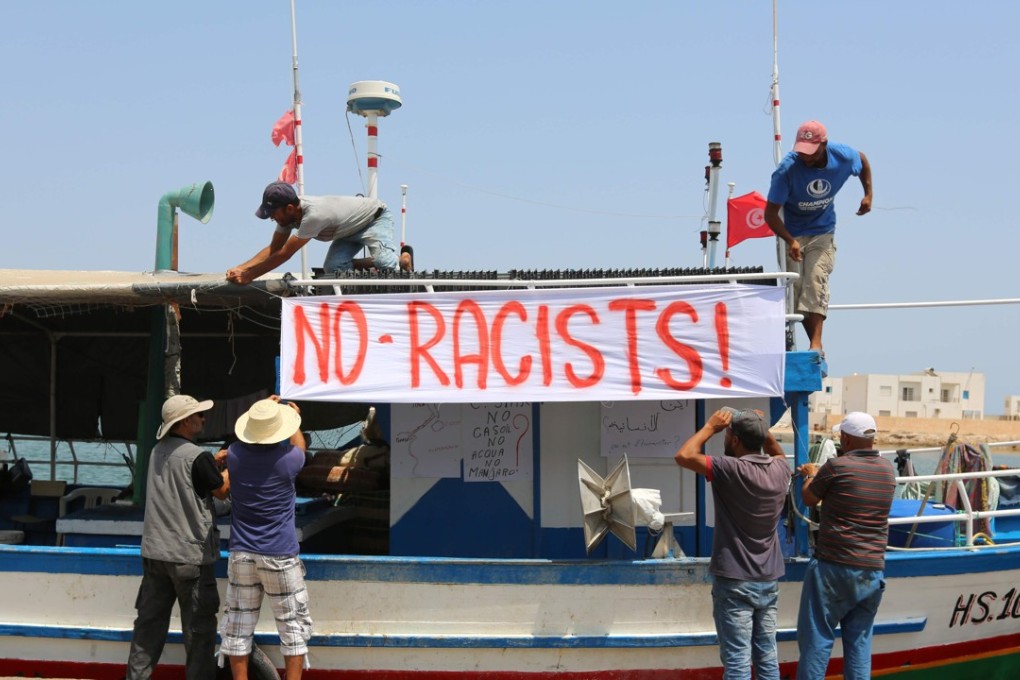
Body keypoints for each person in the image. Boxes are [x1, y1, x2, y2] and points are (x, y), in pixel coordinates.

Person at [674, 407, 791, 680]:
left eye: (727, 435)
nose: (724, 438)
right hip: (768, 577)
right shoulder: (780, 469)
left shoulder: (729, 468)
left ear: (735, 440)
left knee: (737, 659)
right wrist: (761, 426)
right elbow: (777, 452)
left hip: (735, 579)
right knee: (767, 654)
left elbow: (684, 455)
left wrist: (710, 426)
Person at [127, 394, 230, 679]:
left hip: (155, 554)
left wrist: (215, 462)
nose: (203, 418)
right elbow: (221, 491)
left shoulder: (157, 450)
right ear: (185, 422)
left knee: (148, 628)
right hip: (189, 558)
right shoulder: (199, 457)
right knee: (199, 633)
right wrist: (232, 463)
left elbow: (186, 480)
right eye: (198, 415)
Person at [795, 411, 896, 680]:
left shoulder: (837, 466)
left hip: (833, 567)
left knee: (817, 638)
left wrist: (810, 474)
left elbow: (808, 499)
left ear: (847, 439)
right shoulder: (888, 470)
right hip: (872, 569)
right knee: (859, 643)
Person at [219, 396, 311, 680]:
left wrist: (267, 409)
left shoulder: (234, 454)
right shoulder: (289, 460)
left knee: (238, 625)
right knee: (292, 626)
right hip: (279, 555)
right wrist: (290, 414)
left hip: (242, 553)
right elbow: (300, 445)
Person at [764, 120, 873, 353]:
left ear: (824, 144)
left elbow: (862, 160)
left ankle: (816, 344)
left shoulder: (842, 156)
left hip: (822, 231)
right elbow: (770, 215)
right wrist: (789, 240)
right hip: (789, 232)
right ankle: (792, 343)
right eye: (802, 151)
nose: (806, 157)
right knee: (795, 288)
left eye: (811, 152)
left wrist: (868, 195)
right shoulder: (786, 170)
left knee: (814, 280)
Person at [226, 181, 410, 285]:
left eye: (274, 213)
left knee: (386, 264)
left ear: (289, 208)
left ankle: (399, 259)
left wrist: (250, 276)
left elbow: (284, 255)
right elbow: (274, 248)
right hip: (346, 231)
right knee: (334, 269)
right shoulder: (289, 216)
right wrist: (242, 268)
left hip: (373, 220)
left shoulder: (313, 216)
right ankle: (384, 260)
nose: (272, 218)